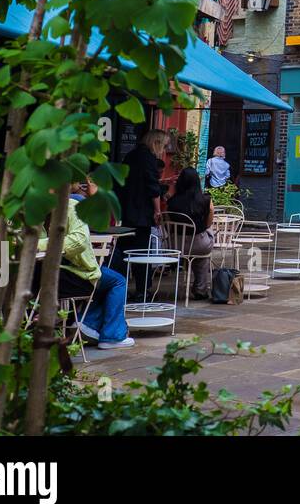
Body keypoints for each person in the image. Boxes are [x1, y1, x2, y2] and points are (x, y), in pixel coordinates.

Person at [49, 180, 133, 350]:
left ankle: (88, 323)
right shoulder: (74, 203)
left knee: (108, 277)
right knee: (116, 281)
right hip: (73, 272)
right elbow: (96, 227)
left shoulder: (43, 207)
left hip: (53, 272)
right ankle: (111, 335)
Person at [114, 129, 168, 292]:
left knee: (124, 252)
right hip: (141, 214)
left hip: (126, 210)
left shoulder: (131, 156)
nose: (164, 150)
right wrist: (157, 210)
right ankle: (142, 290)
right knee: (142, 254)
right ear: (156, 143)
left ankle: (120, 288)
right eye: (164, 146)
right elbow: (153, 188)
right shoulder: (149, 159)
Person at [166, 167, 215, 300]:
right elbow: (208, 224)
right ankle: (200, 288)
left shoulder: (172, 202)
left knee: (195, 251)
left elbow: (167, 223)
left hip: (175, 245)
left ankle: (195, 284)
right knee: (203, 251)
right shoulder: (205, 200)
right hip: (198, 244)